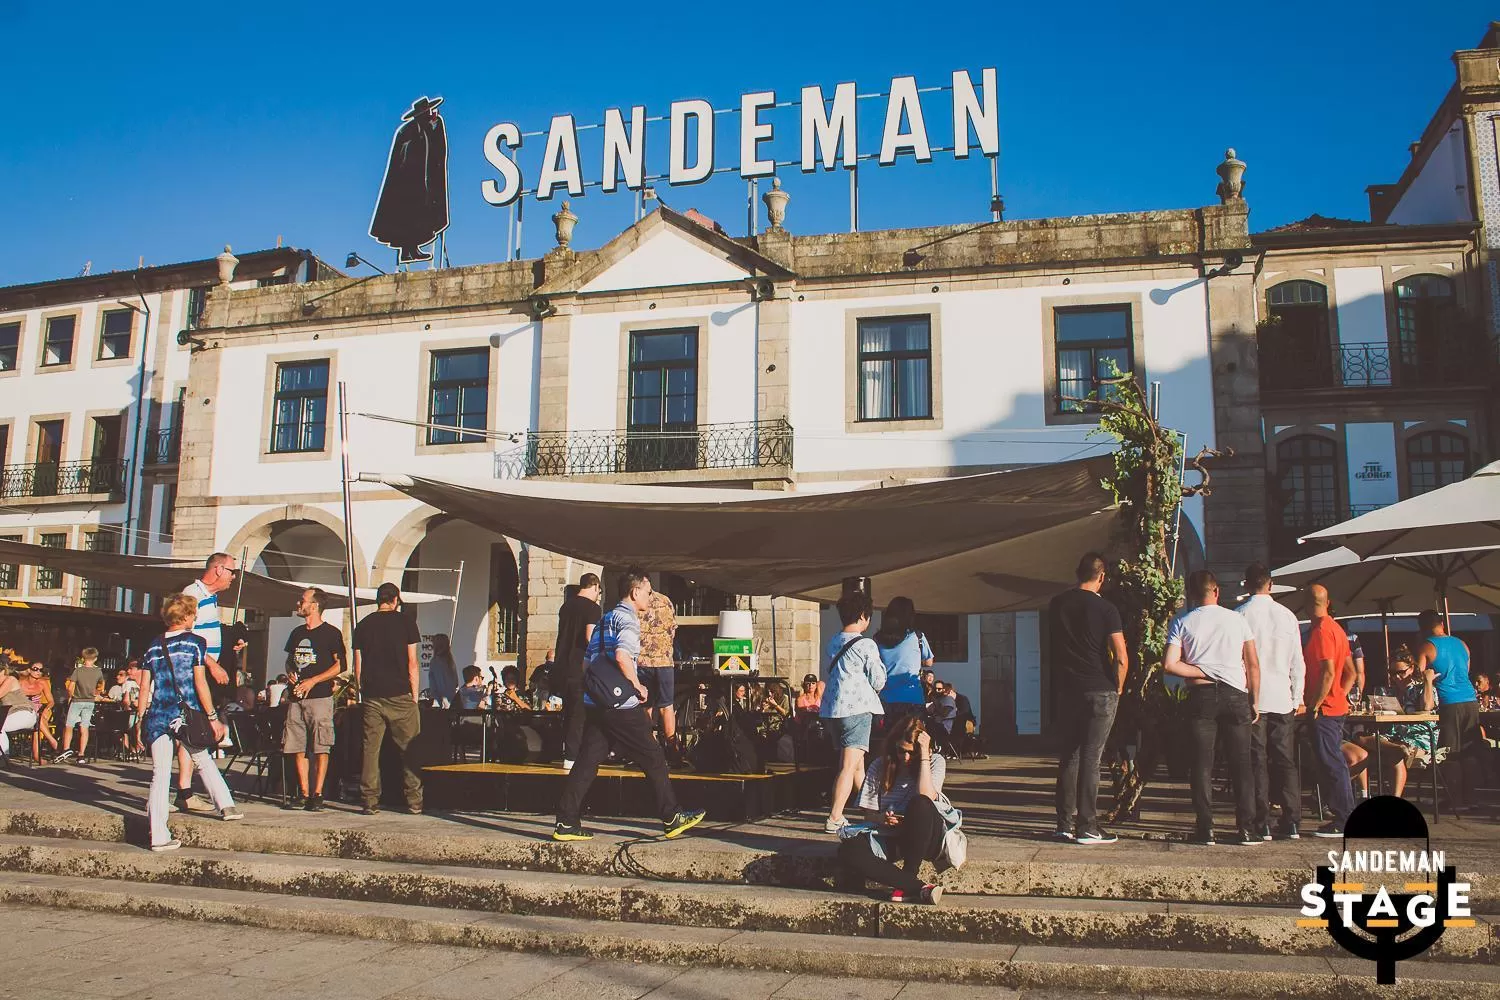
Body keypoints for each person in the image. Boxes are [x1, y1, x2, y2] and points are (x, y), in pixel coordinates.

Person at [553, 567, 705, 842]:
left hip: (596, 701)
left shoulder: (605, 618)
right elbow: (624, 656)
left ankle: (566, 821)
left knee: (587, 760)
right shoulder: (628, 620)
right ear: (635, 592)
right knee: (654, 757)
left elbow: (587, 661)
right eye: (647, 592)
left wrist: (594, 691)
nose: (650, 597)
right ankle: (671, 816)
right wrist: (637, 686)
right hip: (620, 704)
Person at [1164, 570, 1261, 847]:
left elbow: (1170, 664)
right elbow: (1253, 663)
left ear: (1193, 595)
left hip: (1201, 697)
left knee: (1201, 764)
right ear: (1216, 591)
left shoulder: (1182, 621)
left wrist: (1201, 672)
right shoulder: (1238, 620)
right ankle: (1246, 829)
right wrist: (1254, 699)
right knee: (1241, 764)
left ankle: (1205, 829)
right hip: (1235, 695)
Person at [139, 594, 242, 850]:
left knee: (159, 774)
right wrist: (212, 717)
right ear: (185, 617)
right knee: (202, 758)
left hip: (157, 714)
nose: (195, 617)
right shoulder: (195, 642)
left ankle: (158, 836)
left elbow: (143, 688)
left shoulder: (152, 646)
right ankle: (226, 805)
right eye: (193, 613)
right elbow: (199, 682)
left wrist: (139, 720)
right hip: (186, 713)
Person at [1048, 552, 1128, 845]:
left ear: (1076, 572)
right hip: (1099, 688)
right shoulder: (1107, 609)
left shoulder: (1057, 604)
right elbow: (1120, 655)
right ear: (1102, 577)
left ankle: (1064, 823)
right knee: (1092, 757)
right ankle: (1088, 826)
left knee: (1069, 756)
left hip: (1067, 689)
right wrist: (1118, 687)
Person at [836, 714, 951, 905]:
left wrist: (923, 755)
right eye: (900, 751)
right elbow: (868, 813)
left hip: (926, 833)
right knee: (849, 850)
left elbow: (927, 795)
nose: (905, 757)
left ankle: (909, 874)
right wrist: (882, 818)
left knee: (920, 803)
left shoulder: (935, 761)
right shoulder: (879, 765)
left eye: (911, 752)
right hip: (892, 834)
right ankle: (916, 887)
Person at [1237, 562, 1306, 841]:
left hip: (1252, 698)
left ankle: (1261, 822)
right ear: (1271, 584)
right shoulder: (1288, 616)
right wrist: (1298, 696)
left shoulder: (1239, 615)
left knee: (1257, 761)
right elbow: (1297, 661)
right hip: (1282, 697)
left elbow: (1238, 661)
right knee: (1285, 760)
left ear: (1246, 584)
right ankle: (1292, 821)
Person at [353, 582, 423, 817]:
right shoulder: (406, 622)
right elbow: (412, 661)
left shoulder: (363, 625)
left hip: (373, 694)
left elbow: (358, 665)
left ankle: (369, 801)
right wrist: (414, 694)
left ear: (378, 600)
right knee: (410, 749)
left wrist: (362, 692)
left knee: (370, 750)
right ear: (396, 600)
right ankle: (414, 800)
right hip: (400, 692)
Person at [820, 590, 887, 835]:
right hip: (857, 709)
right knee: (848, 766)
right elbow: (879, 680)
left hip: (833, 710)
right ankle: (835, 816)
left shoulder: (833, 642)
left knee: (857, 764)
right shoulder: (866, 644)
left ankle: (871, 813)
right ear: (863, 616)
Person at [1301, 584, 1356, 838]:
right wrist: (1340, 695)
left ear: (1306, 602)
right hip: (1335, 707)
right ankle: (1343, 813)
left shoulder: (1322, 631)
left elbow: (1329, 671)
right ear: (1328, 600)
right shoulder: (1337, 629)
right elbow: (1351, 672)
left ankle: (1344, 817)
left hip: (1324, 709)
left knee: (1331, 762)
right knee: (1332, 760)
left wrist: (1316, 703)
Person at [282, 587, 345, 811]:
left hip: (320, 697)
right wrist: (290, 672)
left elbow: (340, 665)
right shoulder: (297, 633)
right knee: (297, 745)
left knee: (321, 746)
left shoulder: (331, 633)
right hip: (296, 697)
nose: (299, 604)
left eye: (303, 600)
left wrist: (314, 681)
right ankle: (303, 792)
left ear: (315, 606)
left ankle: (317, 794)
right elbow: (290, 660)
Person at [1415, 609, 1482, 812]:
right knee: (1469, 751)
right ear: (1442, 623)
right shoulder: (1462, 644)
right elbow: (1467, 669)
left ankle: (1455, 799)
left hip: (1449, 701)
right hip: (1470, 699)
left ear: (1422, 627)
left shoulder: (1427, 645)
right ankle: (1471, 797)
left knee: (1449, 752)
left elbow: (1421, 673)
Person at [1348, 650, 1434, 798]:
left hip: (1417, 736)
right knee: (1360, 739)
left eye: (1400, 672)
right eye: (1392, 673)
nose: (1396, 677)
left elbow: (1427, 707)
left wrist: (1428, 681)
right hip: (1392, 735)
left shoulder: (1421, 688)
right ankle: (1363, 795)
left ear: (1411, 669)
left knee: (1393, 756)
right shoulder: (1390, 691)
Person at [555, 573, 603, 771]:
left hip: (561, 665)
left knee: (567, 711)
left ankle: (565, 751)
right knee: (579, 713)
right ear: (594, 586)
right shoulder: (592, 608)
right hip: (578, 666)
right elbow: (589, 636)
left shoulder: (566, 606)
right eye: (599, 591)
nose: (598, 595)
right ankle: (573, 756)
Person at [873, 597, 933, 730]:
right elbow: (929, 662)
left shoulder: (878, 639)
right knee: (912, 742)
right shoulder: (917, 637)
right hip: (913, 699)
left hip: (886, 699)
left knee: (889, 741)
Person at [638, 590, 679, 747]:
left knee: (645, 707)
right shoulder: (665, 600)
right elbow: (673, 631)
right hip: (664, 661)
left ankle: (649, 747)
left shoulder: (636, 601)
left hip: (643, 662)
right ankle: (672, 749)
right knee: (667, 706)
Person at [56, 647, 105, 764]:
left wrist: (70, 696)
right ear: (95, 659)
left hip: (77, 701)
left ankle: (66, 749)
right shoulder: (98, 671)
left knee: (69, 725)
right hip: (90, 702)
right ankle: (81, 754)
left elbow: (70, 687)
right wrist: (96, 693)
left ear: (83, 658)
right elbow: (102, 685)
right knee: (84, 727)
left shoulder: (78, 671)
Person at [19, 662, 60, 762]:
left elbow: (51, 701)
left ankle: (38, 756)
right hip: (23, 709)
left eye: (41, 670)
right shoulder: (20, 682)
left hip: (38, 709)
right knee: (38, 719)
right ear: (29, 670)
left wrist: (47, 709)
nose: (38, 672)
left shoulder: (43, 683)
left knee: (38, 720)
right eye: (35, 669)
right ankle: (53, 742)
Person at [1, 668, 38, 761]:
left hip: (25, 714)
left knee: (0, 726)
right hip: (13, 715)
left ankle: (3, 757)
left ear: (2, 671)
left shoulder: (10, 680)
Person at [427, 634, 460, 708]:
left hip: (441, 701)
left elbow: (440, 682)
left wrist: (443, 698)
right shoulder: (449, 660)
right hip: (450, 699)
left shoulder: (437, 661)